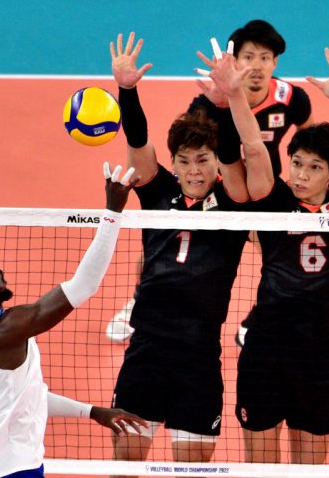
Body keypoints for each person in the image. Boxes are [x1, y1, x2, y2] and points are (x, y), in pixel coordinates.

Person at [203, 41, 329, 464]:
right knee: (261, 469)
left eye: (314, 168)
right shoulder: (274, 200)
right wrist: (234, 94)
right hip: (264, 353)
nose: (301, 174)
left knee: (309, 472)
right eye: (297, 163)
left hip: (317, 357)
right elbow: (254, 149)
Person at [107, 19, 313, 346]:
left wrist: (299, 183)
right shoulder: (205, 104)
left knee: (277, 252)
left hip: (260, 187)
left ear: (275, 62)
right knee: (161, 233)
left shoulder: (291, 98)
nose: (256, 66)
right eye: (249, 56)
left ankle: (261, 313)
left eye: (265, 57)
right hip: (220, 178)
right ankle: (139, 297)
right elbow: (186, 146)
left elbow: (307, 139)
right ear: (234, 60)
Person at [0, 163, 148, 478]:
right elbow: (83, 286)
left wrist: (92, 412)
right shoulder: (4, 331)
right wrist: (112, 213)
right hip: (12, 469)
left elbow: (25, 395)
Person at [107, 32, 250, 471]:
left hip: (199, 357)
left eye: (203, 159)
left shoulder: (234, 201)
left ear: (217, 162)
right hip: (146, 350)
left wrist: (225, 101)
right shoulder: (157, 192)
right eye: (185, 161)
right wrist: (127, 91)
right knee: (128, 465)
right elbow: (137, 142)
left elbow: (233, 153)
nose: (193, 170)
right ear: (174, 164)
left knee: (193, 468)